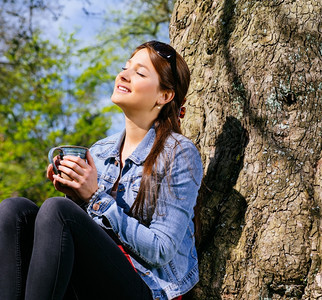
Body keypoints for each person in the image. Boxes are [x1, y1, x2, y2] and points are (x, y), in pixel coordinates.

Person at [0, 40, 203, 300]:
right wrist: (75, 194)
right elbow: (78, 236)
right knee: (13, 211)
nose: (124, 75)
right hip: (92, 282)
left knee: (57, 211)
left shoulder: (179, 153)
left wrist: (94, 197)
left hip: (147, 287)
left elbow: (161, 249)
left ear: (164, 96)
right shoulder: (100, 150)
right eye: (125, 68)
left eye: (140, 73)